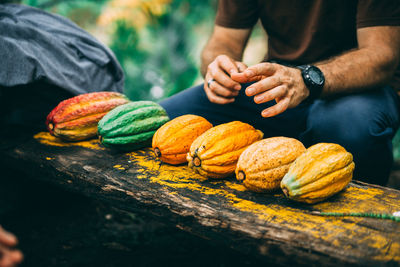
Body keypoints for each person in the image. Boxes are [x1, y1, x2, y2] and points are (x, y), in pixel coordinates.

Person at [160, 0, 400, 186]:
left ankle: (358, 221)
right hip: (278, 84)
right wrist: (218, 67)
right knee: (166, 120)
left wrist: (306, 79)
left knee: (349, 127)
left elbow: (381, 56)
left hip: (356, 89)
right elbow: (224, 40)